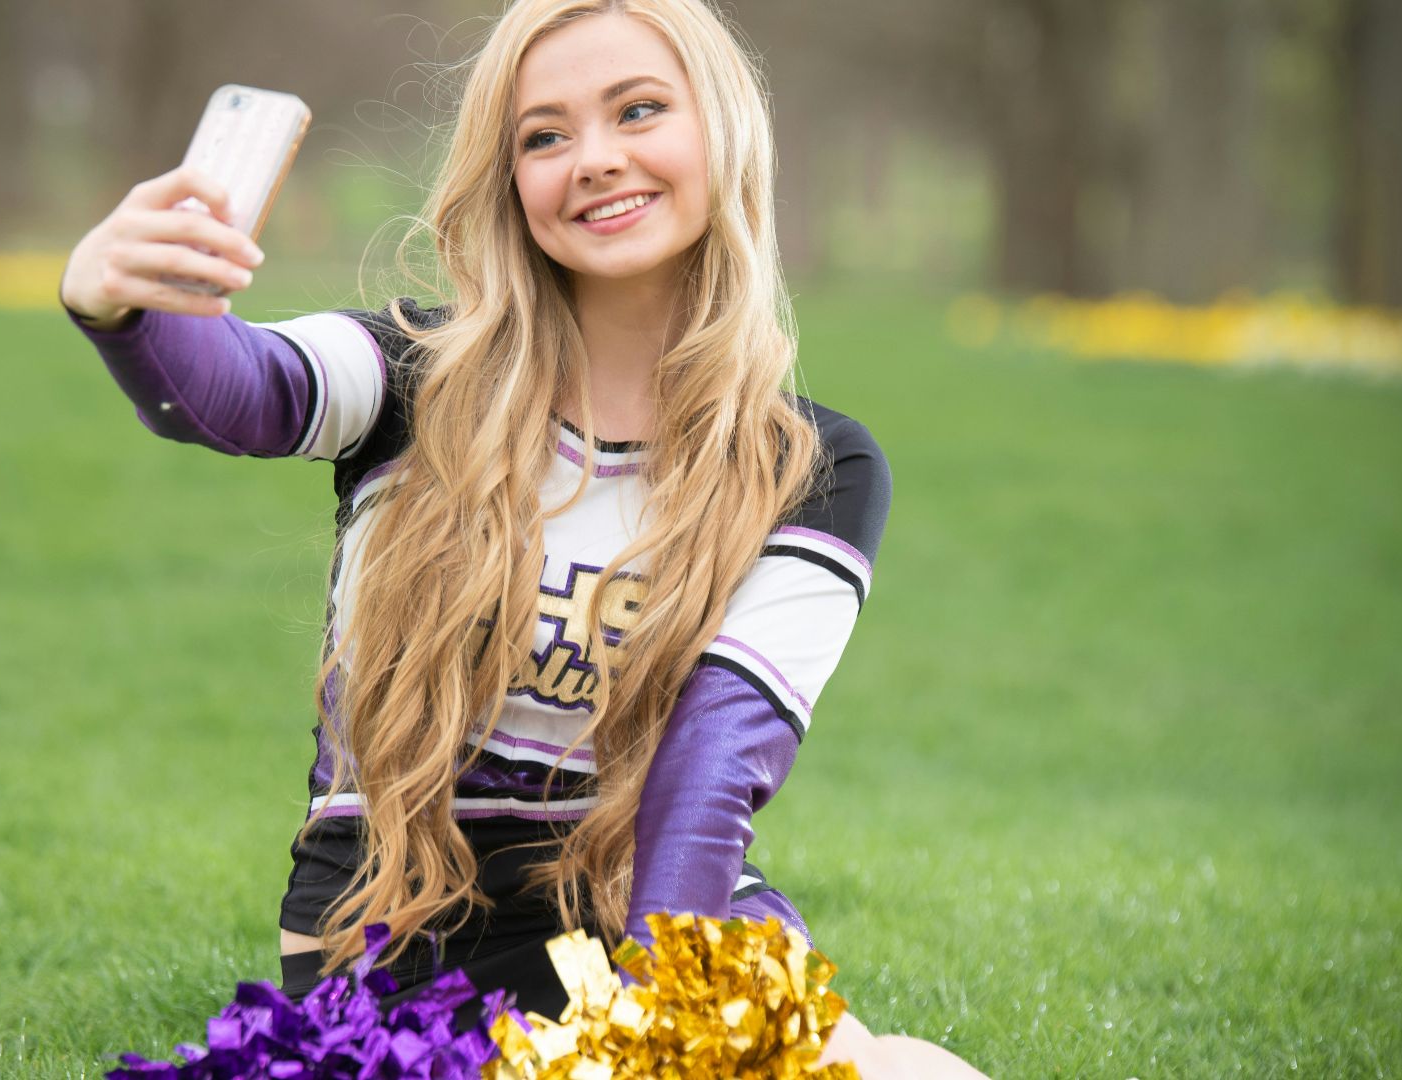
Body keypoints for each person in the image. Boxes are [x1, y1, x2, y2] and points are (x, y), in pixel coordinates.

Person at [60, 1, 989, 1075]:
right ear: (508, 181)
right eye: (545, 135)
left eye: (638, 110)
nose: (593, 159)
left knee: (908, 1068)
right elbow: (242, 388)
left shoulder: (812, 465)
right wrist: (123, 308)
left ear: (723, 130)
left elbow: (713, 765)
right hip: (402, 937)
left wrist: (667, 1021)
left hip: (656, 906)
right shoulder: (409, 375)